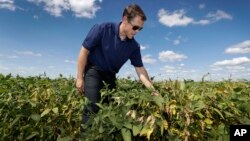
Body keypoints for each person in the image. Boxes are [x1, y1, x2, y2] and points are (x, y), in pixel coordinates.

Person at [76, 3, 158, 126]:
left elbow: (140, 69)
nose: (137, 32)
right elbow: (84, 51)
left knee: (111, 112)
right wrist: (79, 78)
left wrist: (153, 90)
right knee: (92, 108)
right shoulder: (102, 29)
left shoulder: (134, 46)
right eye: (135, 27)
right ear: (125, 19)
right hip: (94, 71)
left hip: (111, 77)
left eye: (140, 29)